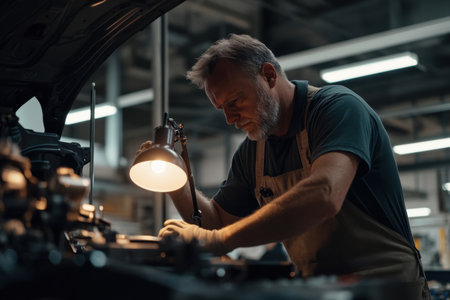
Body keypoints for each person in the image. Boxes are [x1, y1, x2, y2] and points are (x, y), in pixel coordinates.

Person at [138, 34, 430, 298]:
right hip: (323, 289)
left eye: (236, 100)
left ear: (268, 75)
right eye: (222, 109)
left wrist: (219, 240)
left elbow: (324, 194)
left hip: (387, 288)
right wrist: (176, 179)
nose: (230, 118)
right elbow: (214, 222)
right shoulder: (253, 153)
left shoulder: (336, 109)